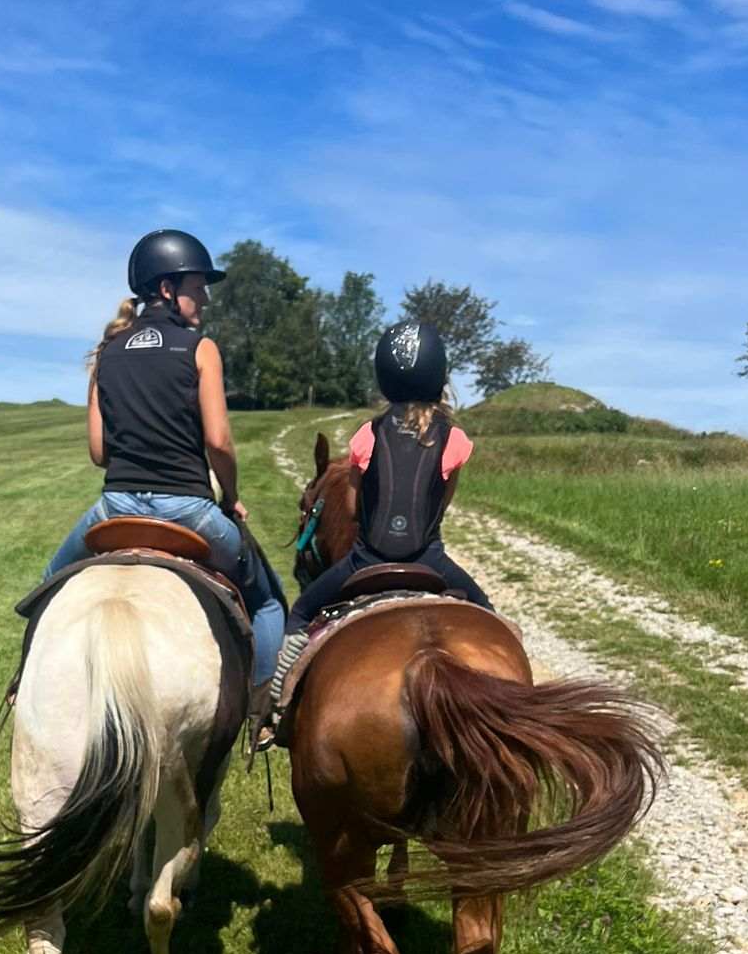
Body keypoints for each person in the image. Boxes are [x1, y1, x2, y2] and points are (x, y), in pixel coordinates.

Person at [44, 229, 285, 700]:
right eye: (199, 287)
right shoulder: (201, 349)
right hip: (189, 511)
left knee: (48, 584)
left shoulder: (106, 354)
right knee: (270, 601)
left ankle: (22, 684)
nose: (207, 299)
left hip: (116, 507)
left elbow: (99, 453)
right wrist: (231, 497)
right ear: (167, 289)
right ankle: (263, 709)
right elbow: (217, 440)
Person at [257, 319, 492, 741]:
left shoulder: (368, 433)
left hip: (366, 559)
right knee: (489, 617)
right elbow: (443, 504)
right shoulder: (455, 438)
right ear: (439, 377)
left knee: (301, 613)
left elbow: (350, 506)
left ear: (385, 377)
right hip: (430, 559)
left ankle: (276, 710)